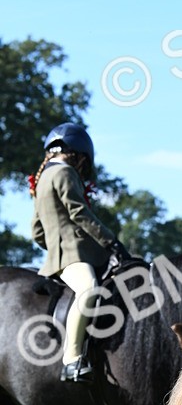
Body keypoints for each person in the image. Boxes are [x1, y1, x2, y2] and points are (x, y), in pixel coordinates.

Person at [30, 123, 123, 382]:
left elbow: (37, 231)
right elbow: (78, 212)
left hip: (58, 255)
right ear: (79, 154)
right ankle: (71, 359)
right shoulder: (65, 172)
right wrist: (110, 241)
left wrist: (53, 247)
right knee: (90, 289)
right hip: (73, 256)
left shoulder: (43, 178)